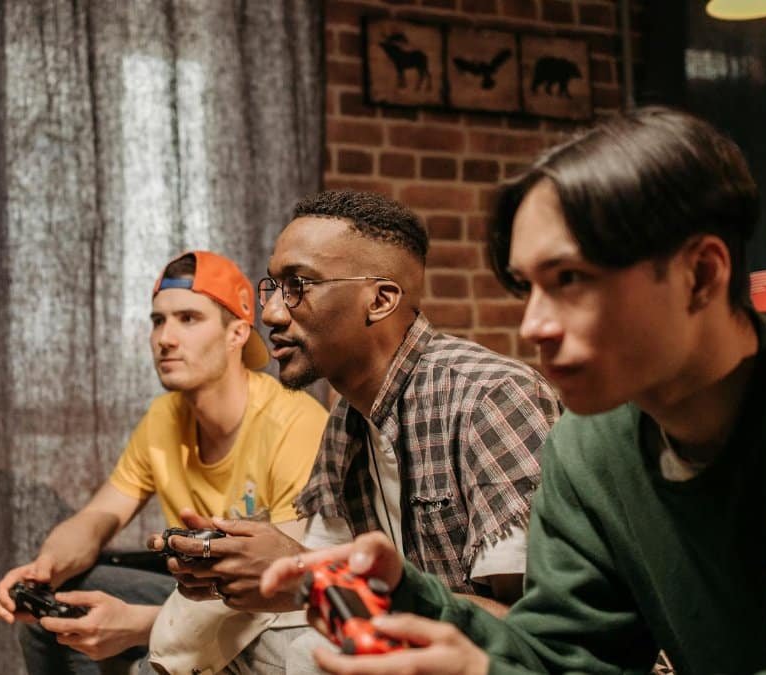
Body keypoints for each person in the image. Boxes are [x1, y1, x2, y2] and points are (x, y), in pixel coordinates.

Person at [260, 107, 766, 674]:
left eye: (572, 279)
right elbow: (565, 654)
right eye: (528, 287)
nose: (534, 326)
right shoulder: (589, 446)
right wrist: (414, 600)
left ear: (702, 274)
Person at [159, 191, 559, 627]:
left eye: (298, 286)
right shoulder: (345, 424)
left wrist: (313, 578)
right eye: (273, 286)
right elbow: (324, 562)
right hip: (407, 653)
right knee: (200, 629)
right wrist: (229, 562)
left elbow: (538, 634)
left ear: (381, 300)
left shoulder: (489, 397)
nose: (271, 313)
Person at [0, 251, 329, 674]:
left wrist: (142, 627)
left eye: (188, 318)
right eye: (158, 321)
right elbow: (98, 516)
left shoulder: (294, 423)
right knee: (54, 611)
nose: (165, 338)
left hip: (277, 611)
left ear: (237, 334)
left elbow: (280, 591)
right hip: (196, 592)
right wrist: (46, 570)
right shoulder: (164, 417)